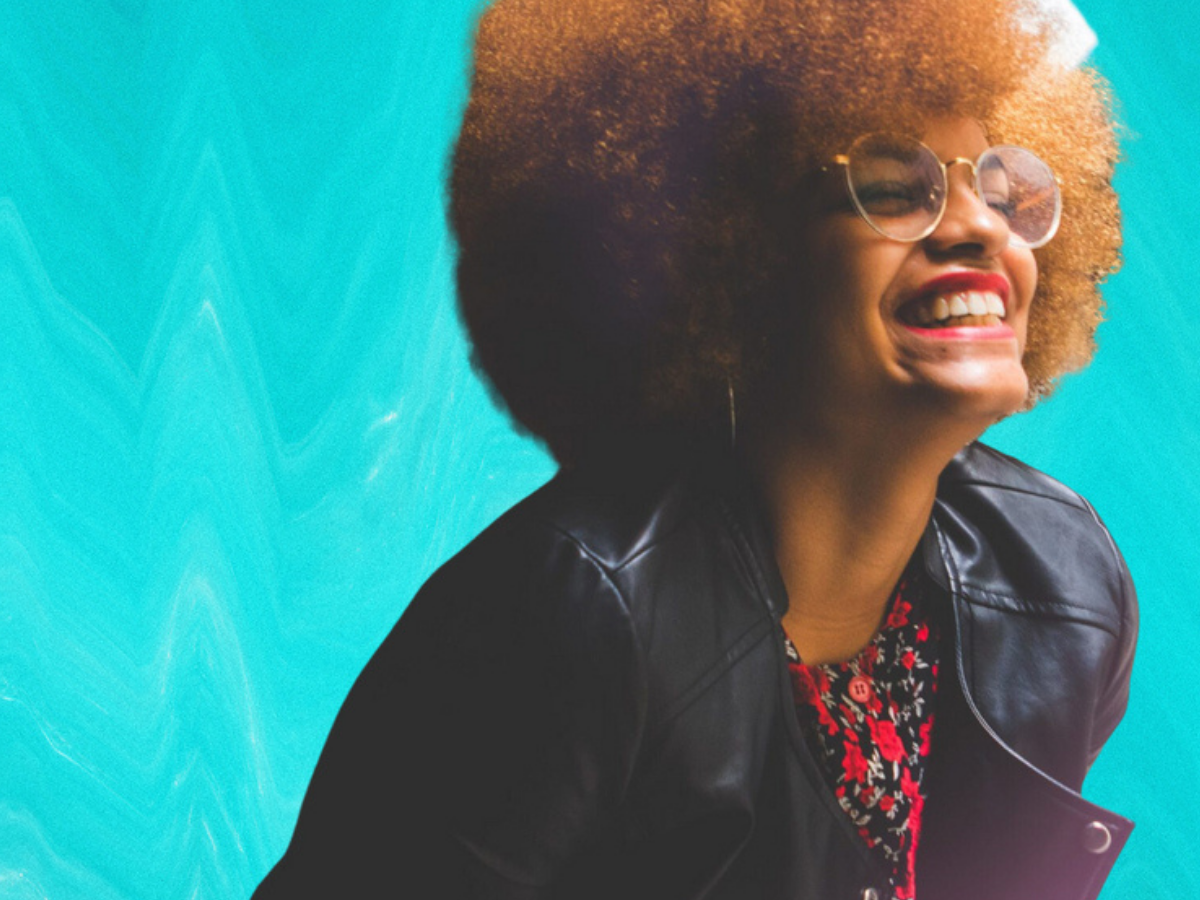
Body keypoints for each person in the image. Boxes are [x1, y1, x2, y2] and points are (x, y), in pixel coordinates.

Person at [254, 0, 1135, 897]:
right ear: (732, 253)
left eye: (1002, 190)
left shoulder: (1062, 590)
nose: (980, 229)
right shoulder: (567, 622)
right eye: (895, 188)